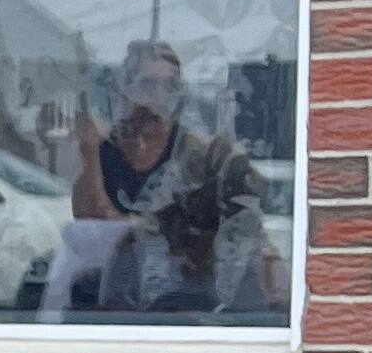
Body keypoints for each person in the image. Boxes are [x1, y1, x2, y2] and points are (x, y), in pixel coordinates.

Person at [69, 39, 278, 316]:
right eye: (148, 84)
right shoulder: (104, 149)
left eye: (171, 85)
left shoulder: (206, 156)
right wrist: (91, 155)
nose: (160, 95)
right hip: (116, 298)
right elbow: (91, 227)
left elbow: (244, 232)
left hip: (187, 299)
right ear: (124, 91)